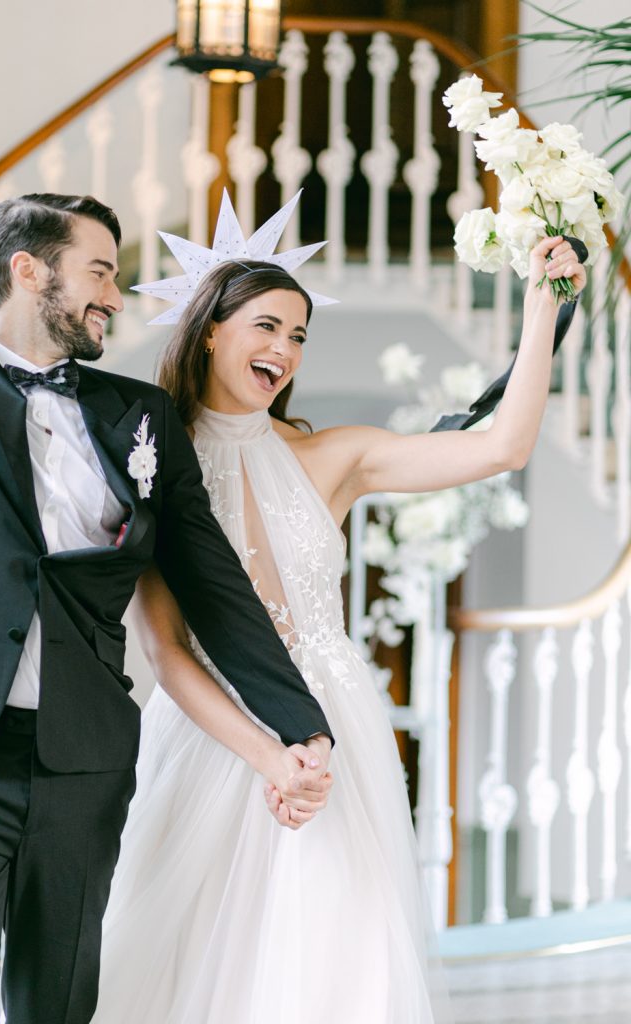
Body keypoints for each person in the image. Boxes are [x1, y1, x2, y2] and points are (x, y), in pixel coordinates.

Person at [0, 5, 335, 1022]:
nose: (116, 298)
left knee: (56, 1010)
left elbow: (211, 584)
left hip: (82, 760)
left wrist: (298, 723)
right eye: (101, 272)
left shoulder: (140, 414)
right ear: (29, 270)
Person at [94, 212, 587, 1020]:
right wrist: (266, 755)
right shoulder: (153, 460)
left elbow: (501, 448)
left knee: (334, 954)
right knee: (186, 966)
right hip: (215, 736)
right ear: (211, 333)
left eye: (298, 334)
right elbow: (168, 651)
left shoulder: (334, 456)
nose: (284, 350)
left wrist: (539, 309)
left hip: (335, 731)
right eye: (266, 326)